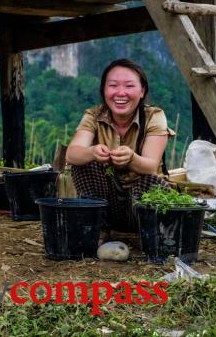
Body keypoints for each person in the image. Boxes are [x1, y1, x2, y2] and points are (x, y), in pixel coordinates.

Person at [66, 58, 175, 240]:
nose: (120, 93)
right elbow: (72, 153)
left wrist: (132, 158)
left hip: (140, 206)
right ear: (104, 90)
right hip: (107, 205)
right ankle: (99, 229)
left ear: (142, 91)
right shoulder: (93, 115)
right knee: (83, 163)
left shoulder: (154, 116)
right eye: (113, 86)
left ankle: (148, 235)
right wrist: (92, 152)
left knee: (150, 181)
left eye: (129, 86)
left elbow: (150, 165)